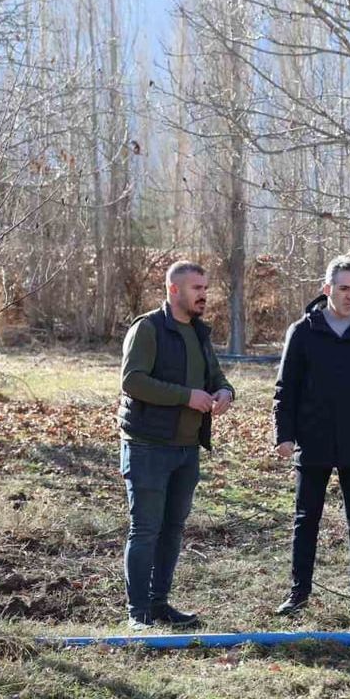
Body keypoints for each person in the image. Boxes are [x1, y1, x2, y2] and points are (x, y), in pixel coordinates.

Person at [273, 257, 350, 619]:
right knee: (305, 518)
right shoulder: (303, 330)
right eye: (343, 288)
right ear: (327, 289)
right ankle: (299, 592)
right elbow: (286, 388)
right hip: (313, 440)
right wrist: (284, 434)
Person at [118, 260, 235, 630]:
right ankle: (137, 613)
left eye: (205, 287)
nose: (204, 294)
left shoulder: (199, 332)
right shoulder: (148, 329)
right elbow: (133, 381)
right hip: (148, 447)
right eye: (196, 288)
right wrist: (186, 396)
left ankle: (159, 604)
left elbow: (217, 376)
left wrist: (225, 392)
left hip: (187, 450)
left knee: (173, 530)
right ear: (173, 290)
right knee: (145, 530)